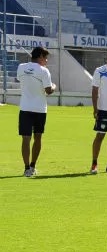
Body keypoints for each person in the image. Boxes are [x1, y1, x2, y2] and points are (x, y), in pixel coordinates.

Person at [17, 47, 55, 177]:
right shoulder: (44, 71)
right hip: (39, 109)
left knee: (25, 139)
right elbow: (49, 90)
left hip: (25, 108)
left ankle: (27, 168)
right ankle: (33, 166)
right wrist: (54, 86)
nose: (46, 61)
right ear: (40, 57)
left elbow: (21, 79)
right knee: (38, 137)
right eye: (45, 58)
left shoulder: (21, 67)